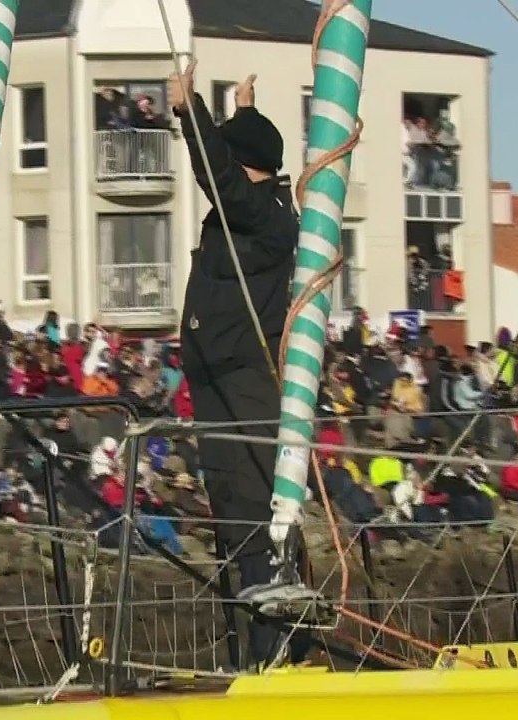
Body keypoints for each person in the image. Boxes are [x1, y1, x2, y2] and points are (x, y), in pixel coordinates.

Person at [169, 62, 302, 669]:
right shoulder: (247, 207)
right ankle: (250, 649)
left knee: (251, 501)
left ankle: (275, 645)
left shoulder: (268, 215)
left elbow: (221, 176)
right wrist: (244, 110)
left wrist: (191, 112)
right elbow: (232, 163)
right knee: (228, 503)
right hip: (213, 373)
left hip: (245, 375)